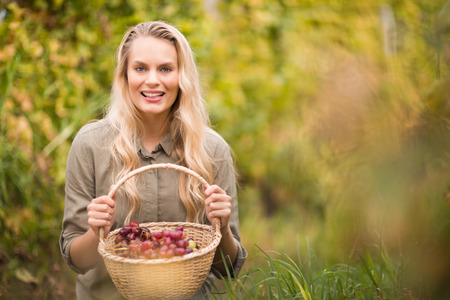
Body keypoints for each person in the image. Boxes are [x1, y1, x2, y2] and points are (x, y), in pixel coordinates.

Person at [59, 20, 247, 300]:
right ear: (124, 75)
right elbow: (77, 259)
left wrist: (222, 225)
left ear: (182, 76)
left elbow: (228, 269)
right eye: (140, 68)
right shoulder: (90, 144)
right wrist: (94, 231)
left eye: (166, 69)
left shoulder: (211, 149)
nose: (153, 80)